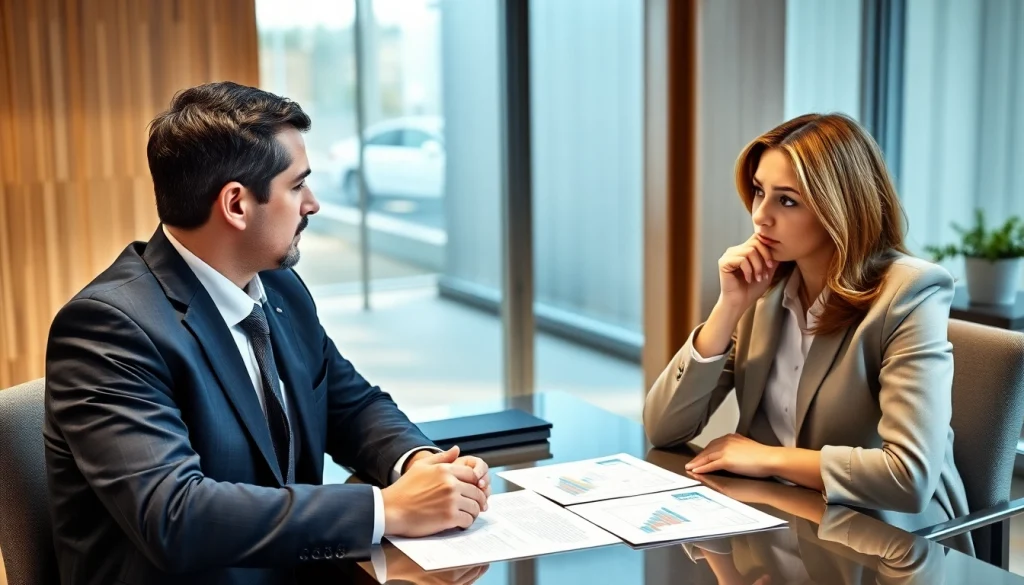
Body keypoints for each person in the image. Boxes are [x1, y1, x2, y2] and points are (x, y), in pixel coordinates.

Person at [43, 81, 491, 585]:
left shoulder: (280, 288)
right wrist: (384, 510)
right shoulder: (108, 329)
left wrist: (421, 465)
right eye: (297, 186)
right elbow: (175, 515)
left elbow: (351, 404)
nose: (313, 204)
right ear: (236, 204)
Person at [643, 113, 970, 538]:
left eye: (787, 200)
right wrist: (728, 308)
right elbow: (664, 429)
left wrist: (767, 458)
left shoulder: (909, 293)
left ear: (841, 208)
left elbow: (908, 476)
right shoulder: (767, 290)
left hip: (882, 539)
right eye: (760, 192)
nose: (761, 216)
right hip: (781, 521)